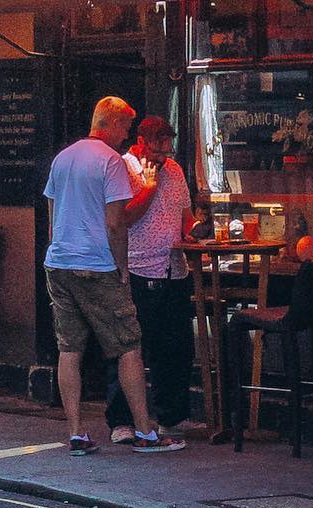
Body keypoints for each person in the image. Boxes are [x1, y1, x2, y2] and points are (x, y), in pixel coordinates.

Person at [43, 96, 185, 457]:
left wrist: (59, 251)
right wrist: (121, 266)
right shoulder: (110, 162)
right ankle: (145, 433)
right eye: (124, 127)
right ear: (110, 123)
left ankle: (76, 434)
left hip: (59, 263)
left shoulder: (63, 158)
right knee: (128, 346)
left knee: (69, 348)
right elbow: (115, 223)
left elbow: (52, 215)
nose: (126, 136)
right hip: (97, 264)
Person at [104, 116, 198, 443]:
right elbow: (125, 217)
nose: (164, 158)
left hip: (174, 268)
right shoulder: (123, 168)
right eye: (158, 151)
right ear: (141, 142)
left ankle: (172, 415)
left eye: (167, 150)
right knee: (130, 347)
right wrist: (149, 186)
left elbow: (186, 217)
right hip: (138, 268)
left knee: (174, 347)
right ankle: (121, 421)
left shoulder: (174, 170)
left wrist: (198, 232)